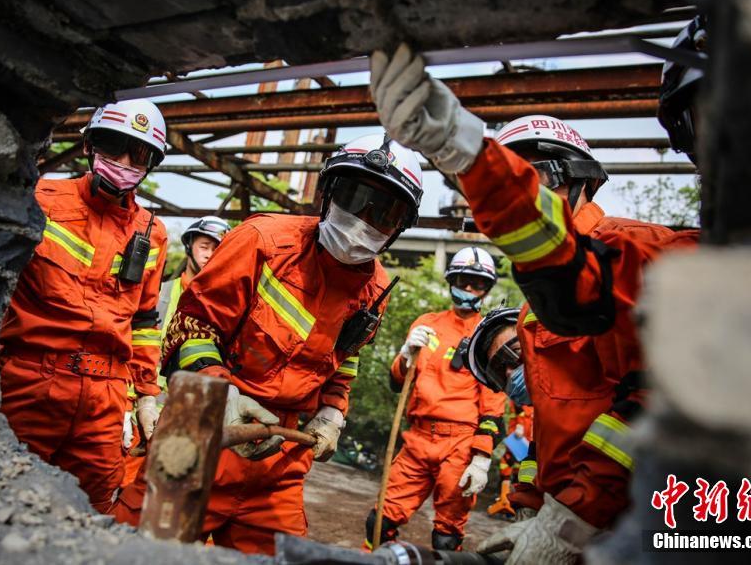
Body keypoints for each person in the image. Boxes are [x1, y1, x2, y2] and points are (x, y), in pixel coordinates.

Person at [368, 42, 701, 563]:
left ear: (582, 180)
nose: (517, 201)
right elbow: (548, 434)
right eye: (507, 181)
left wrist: (571, 522)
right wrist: (533, 509)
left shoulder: (643, 252)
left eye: (534, 179)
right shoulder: (532, 314)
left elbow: (661, 408)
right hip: (573, 516)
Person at [112, 132, 424, 555]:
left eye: (384, 212)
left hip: (281, 455)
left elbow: (344, 361)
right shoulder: (263, 240)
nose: (362, 220)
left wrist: (333, 412)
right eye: (354, 197)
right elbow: (191, 324)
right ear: (329, 192)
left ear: (399, 227)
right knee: (139, 553)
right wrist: (220, 393)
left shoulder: (376, 289)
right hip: (204, 428)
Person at [0, 99, 169, 512]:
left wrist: (146, 395)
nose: (125, 161)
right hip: (28, 380)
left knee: (88, 508)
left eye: (139, 154)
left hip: (105, 397)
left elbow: (145, 320)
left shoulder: (154, 233)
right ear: (91, 146)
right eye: (114, 146)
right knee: (2, 493)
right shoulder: (41, 198)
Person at [363, 247, 507, 552]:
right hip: (417, 439)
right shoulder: (426, 323)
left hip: (460, 445)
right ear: (452, 280)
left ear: (487, 289)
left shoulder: (488, 335)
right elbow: (398, 382)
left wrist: (482, 458)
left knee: (446, 535)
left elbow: (494, 403)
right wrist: (404, 356)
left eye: (477, 283)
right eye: (464, 280)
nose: (469, 288)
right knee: (380, 522)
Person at [121, 214, 233, 487]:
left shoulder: (229, 307)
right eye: (204, 246)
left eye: (217, 249)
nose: (209, 254)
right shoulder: (160, 296)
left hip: (190, 424)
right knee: (122, 493)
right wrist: (126, 404)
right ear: (189, 247)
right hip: (144, 415)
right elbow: (131, 347)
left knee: (171, 505)